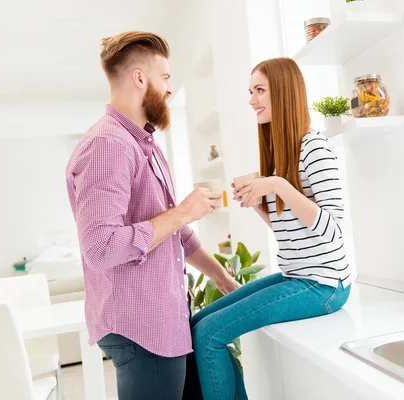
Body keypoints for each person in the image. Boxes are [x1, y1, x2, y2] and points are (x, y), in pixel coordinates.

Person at [65, 31, 239, 400]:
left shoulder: (144, 145)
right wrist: (182, 213)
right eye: (166, 78)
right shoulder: (108, 145)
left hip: (164, 326)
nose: (170, 90)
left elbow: (175, 233)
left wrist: (222, 278)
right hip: (141, 329)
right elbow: (101, 247)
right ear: (139, 79)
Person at [188, 57, 353, 400]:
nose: (252, 100)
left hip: (324, 285)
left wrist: (277, 185)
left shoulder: (314, 148)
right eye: (251, 91)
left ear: (284, 92)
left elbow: (333, 230)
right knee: (198, 323)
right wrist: (259, 204)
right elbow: (291, 227)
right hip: (297, 276)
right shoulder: (281, 154)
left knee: (209, 335)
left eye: (259, 90)